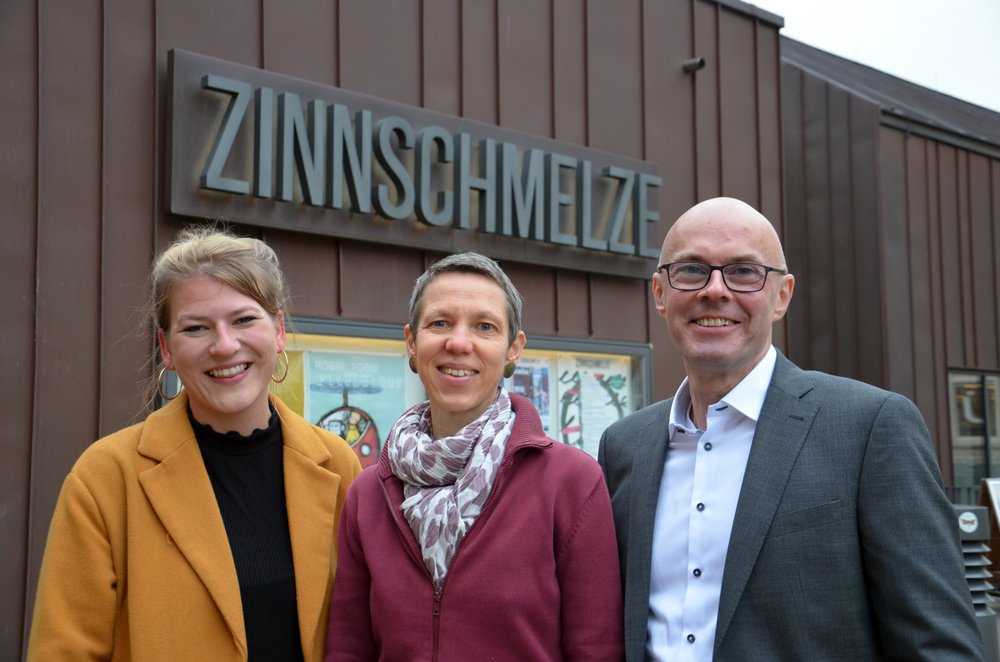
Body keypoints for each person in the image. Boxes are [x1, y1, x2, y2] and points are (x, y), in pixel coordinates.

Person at [598, 197, 984, 661]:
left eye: (744, 272)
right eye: (691, 270)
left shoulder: (870, 427)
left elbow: (939, 645)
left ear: (782, 296)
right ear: (660, 293)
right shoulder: (625, 446)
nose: (714, 290)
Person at [28, 226, 362, 661]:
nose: (224, 346)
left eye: (244, 319)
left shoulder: (337, 465)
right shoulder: (106, 477)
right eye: (196, 328)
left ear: (278, 331)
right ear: (167, 348)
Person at [325, 252, 624, 661]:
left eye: (484, 327)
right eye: (440, 323)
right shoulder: (368, 494)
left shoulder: (571, 482)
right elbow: (349, 649)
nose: (459, 342)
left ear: (512, 350)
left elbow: (596, 649)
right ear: (412, 342)